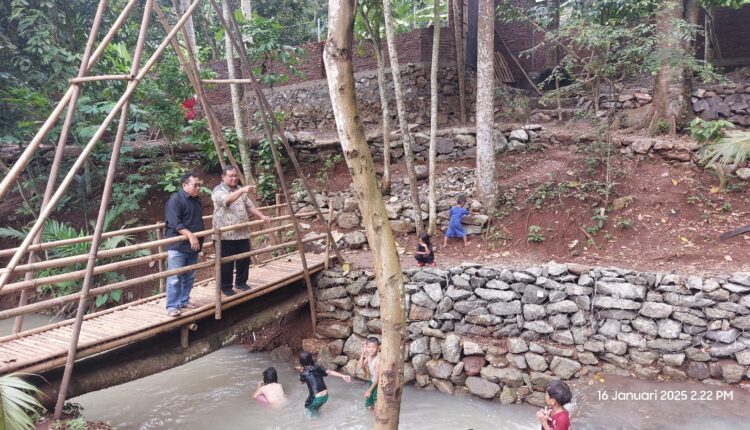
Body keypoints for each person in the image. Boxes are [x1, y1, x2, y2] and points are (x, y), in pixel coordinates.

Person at [212, 166, 270, 297]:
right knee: (226, 262)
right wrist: (242, 190)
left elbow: (249, 205)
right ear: (223, 177)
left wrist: (261, 216)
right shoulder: (218, 190)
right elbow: (226, 200)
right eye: (231, 176)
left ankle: (241, 282)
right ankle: (226, 287)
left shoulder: (239, 189)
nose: (234, 178)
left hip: (242, 232)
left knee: (244, 259)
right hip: (225, 235)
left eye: (236, 176)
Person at [164, 172, 205, 317]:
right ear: (185, 185)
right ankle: (172, 306)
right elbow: (175, 223)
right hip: (178, 245)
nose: (198, 188)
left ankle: (184, 300)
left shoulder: (197, 201)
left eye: (199, 185)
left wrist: (196, 238)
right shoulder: (175, 201)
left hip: (193, 245)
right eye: (195, 185)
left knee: (189, 276)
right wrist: (190, 235)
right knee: (175, 277)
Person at [298, 351, 351, 416]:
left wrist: (301, 372)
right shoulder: (318, 367)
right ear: (311, 359)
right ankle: (319, 418)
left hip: (316, 398)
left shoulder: (303, 373)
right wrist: (343, 376)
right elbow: (330, 372)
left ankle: (312, 422)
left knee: (307, 408)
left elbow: (301, 382)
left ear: (301, 362)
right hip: (325, 396)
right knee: (316, 409)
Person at [358, 337, 380, 410]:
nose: (371, 349)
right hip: (372, 381)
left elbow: (377, 379)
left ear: (378, 348)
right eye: (369, 347)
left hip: (377, 384)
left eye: (374, 347)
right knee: (369, 406)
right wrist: (363, 352)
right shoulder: (369, 357)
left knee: (376, 405)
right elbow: (360, 366)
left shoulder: (378, 360)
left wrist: (369, 390)